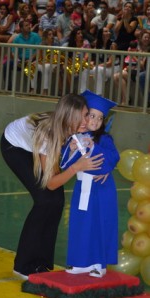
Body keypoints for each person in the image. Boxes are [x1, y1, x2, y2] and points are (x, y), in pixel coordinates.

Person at [0, 93, 104, 280]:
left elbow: (61, 165)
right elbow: (52, 182)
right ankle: (23, 265)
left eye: (86, 115)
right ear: (67, 117)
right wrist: (75, 167)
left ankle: (41, 262)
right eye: (80, 118)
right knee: (44, 201)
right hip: (15, 147)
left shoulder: (72, 128)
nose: (85, 121)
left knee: (56, 201)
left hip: (38, 147)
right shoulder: (49, 134)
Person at [61, 90, 119, 278]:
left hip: (102, 189)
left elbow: (112, 158)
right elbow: (64, 164)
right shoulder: (75, 138)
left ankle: (99, 264)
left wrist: (93, 147)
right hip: (82, 188)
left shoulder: (105, 139)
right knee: (81, 223)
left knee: (100, 223)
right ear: (83, 116)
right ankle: (81, 262)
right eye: (90, 115)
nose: (94, 121)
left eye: (99, 118)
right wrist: (70, 149)